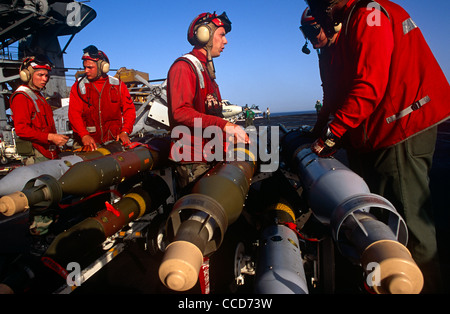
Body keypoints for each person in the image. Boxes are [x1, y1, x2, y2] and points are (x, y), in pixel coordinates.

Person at [306, 0, 450, 292]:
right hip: (382, 133)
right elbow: (335, 94)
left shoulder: (368, 15)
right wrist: (320, 132)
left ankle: (423, 285)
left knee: (406, 227)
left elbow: (369, 85)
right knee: (382, 223)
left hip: (399, 129)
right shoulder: (352, 23)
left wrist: (332, 134)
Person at [167, 12, 249, 189]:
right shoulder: (184, 67)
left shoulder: (206, 71)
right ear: (205, 35)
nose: (225, 41)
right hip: (192, 162)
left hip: (208, 156)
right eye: (222, 35)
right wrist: (225, 125)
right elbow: (180, 112)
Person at [68, 45, 136, 151]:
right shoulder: (78, 86)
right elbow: (74, 114)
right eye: (85, 67)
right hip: (88, 143)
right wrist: (84, 135)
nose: (86, 71)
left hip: (114, 141)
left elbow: (129, 111)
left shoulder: (118, 85)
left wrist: (125, 131)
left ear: (102, 67)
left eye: (90, 67)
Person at [10, 55, 68, 164]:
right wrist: (50, 137)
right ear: (27, 75)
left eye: (46, 75)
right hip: (37, 156)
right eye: (40, 75)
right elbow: (21, 130)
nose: (45, 79)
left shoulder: (39, 97)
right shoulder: (21, 97)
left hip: (48, 153)